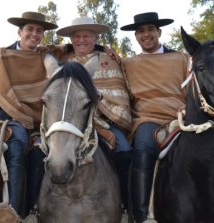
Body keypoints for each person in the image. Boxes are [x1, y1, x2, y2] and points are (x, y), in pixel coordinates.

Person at [120, 12, 214, 222]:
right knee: (143, 150)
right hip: (147, 119)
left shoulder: (181, 58)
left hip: (182, 118)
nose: (146, 35)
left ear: (159, 32)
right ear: (136, 36)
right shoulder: (128, 64)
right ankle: (140, 216)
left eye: (150, 29)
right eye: (140, 31)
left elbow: (200, 85)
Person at [0, 11, 59, 221]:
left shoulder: (44, 58)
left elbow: (72, 48)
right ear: (20, 31)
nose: (34, 34)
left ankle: (13, 212)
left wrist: (102, 48)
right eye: (30, 29)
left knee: (16, 147)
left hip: (20, 120)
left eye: (39, 31)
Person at [55, 16, 132, 215]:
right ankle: (36, 208)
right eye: (77, 36)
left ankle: (126, 205)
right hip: (70, 122)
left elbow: (118, 93)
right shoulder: (63, 61)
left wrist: (100, 121)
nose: (81, 40)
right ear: (71, 39)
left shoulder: (108, 60)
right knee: (43, 153)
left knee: (124, 150)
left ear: (95, 37)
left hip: (106, 121)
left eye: (87, 36)